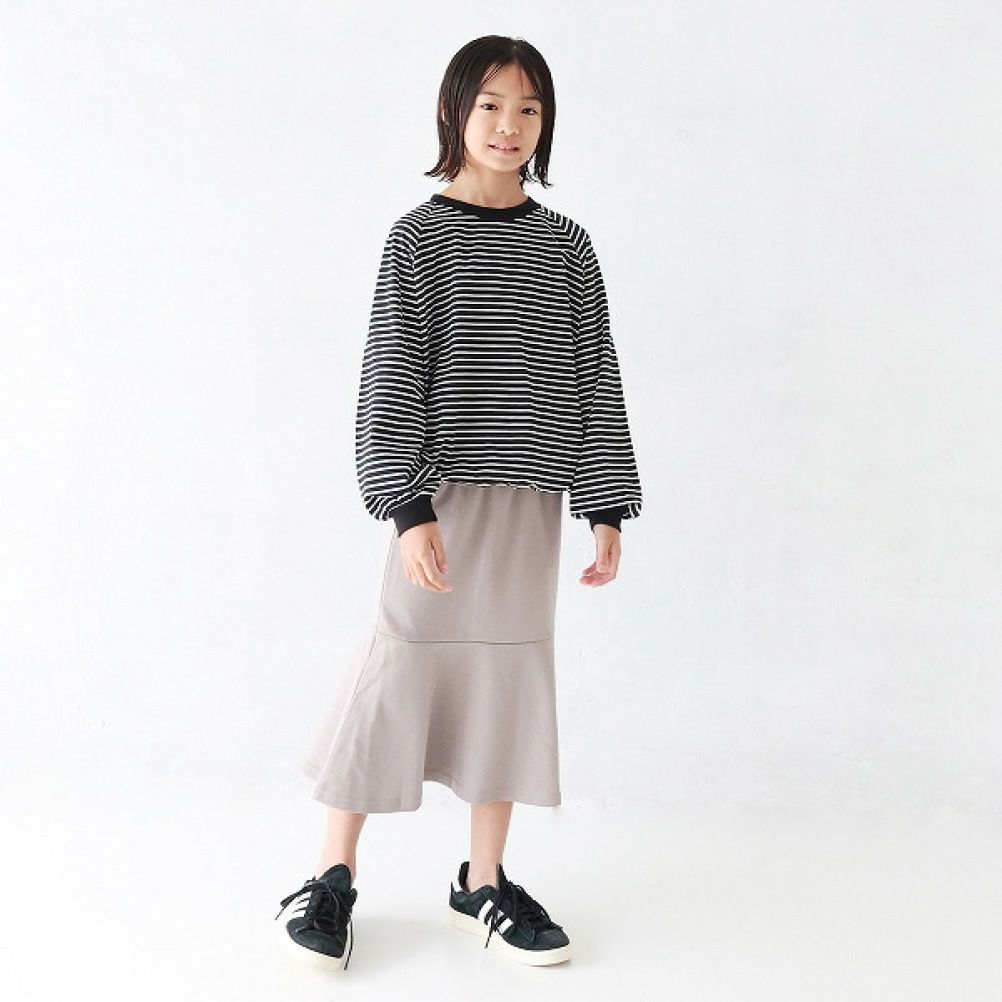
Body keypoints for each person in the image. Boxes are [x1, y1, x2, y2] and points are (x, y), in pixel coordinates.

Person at [274, 34, 643, 972]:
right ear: (454, 112)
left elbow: (594, 373)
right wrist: (405, 507)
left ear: (546, 123)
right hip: (439, 499)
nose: (509, 125)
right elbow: (392, 374)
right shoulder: (419, 238)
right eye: (490, 105)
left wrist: (603, 503)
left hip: (530, 498)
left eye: (528, 108)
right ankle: (331, 875)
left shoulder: (568, 248)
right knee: (396, 667)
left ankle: (482, 880)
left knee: (507, 679)